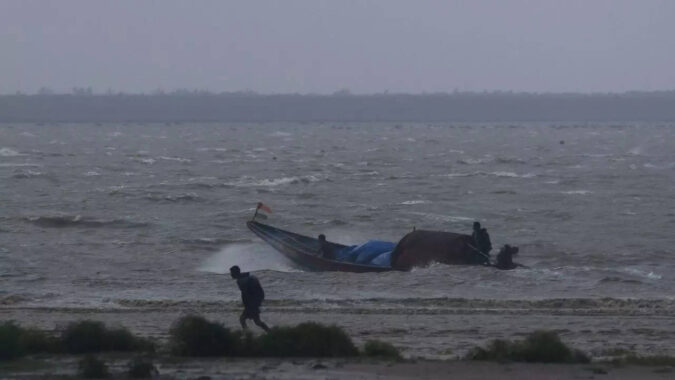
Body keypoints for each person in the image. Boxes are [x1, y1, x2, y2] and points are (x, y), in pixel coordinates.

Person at [229, 265, 270, 332]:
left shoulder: (241, 281)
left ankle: (247, 334)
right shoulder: (248, 277)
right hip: (255, 301)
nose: (231, 274)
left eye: (231, 273)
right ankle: (270, 332)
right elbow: (258, 292)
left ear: (235, 273)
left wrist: (249, 305)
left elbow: (246, 294)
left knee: (242, 319)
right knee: (257, 322)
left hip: (252, 304)